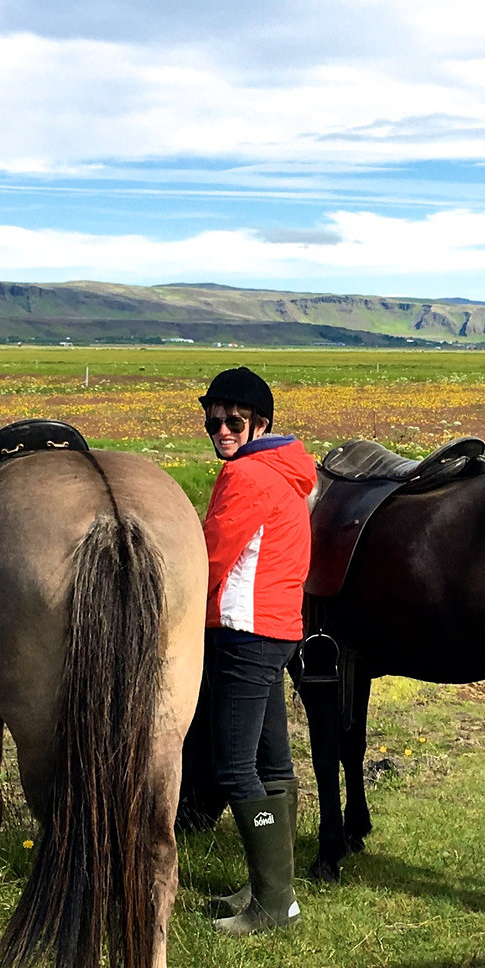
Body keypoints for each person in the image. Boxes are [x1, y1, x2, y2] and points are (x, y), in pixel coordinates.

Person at [196, 366, 318, 935]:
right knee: (273, 763)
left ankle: (273, 905)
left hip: (245, 631)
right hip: (278, 630)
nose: (220, 428)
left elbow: (211, 556)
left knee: (234, 765)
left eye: (233, 420)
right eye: (212, 419)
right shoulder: (285, 474)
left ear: (260, 423)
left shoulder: (247, 477)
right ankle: (273, 888)